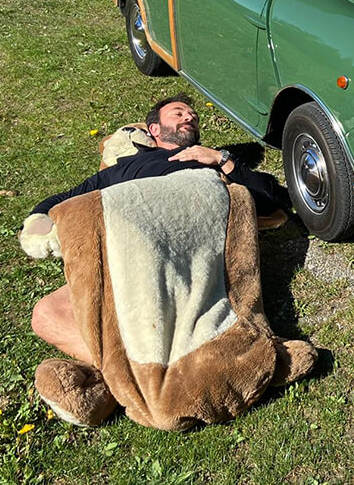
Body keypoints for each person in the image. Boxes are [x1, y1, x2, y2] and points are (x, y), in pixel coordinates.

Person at [27, 93, 287, 362]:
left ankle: (137, 374)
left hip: (185, 262)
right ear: (154, 130)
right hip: (127, 261)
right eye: (178, 113)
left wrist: (221, 159)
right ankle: (127, 374)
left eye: (193, 116)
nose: (190, 117)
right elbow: (66, 198)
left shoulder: (205, 161)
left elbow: (271, 200)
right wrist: (37, 222)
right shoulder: (125, 168)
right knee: (47, 313)